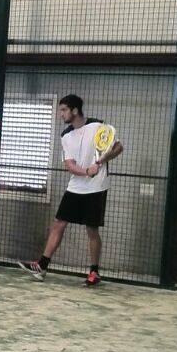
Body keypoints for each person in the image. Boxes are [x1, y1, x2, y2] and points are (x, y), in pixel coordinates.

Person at [18, 94, 124, 287]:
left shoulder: (98, 126)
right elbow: (70, 165)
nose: (61, 114)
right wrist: (86, 171)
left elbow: (118, 147)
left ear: (75, 110)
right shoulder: (66, 135)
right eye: (60, 110)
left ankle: (94, 272)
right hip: (75, 187)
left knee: (91, 229)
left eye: (64, 110)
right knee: (58, 223)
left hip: (97, 187)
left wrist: (101, 161)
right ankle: (42, 266)